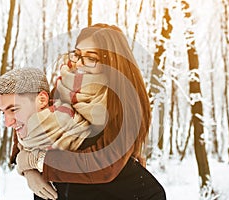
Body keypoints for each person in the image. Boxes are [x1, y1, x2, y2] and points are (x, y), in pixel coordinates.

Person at [16, 23, 166, 200]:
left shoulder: (123, 100)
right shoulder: (64, 85)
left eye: (91, 57)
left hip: (107, 190)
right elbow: (26, 120)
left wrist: (37, 161)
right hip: (58, 190)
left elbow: (104, 164)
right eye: (78, 54)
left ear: (111, 61)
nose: (79, 63)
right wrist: (28, 168)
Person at [0, 66, 108, 199]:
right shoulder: (32, 142)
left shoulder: (90, 142)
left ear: (42, 100)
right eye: (3, 113)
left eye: (13, 110)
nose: (8, 123)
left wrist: (34, 160)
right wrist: (28, 168)